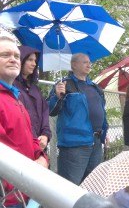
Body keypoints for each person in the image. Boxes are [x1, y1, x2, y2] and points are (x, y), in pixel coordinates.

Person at [0, 36, 48, 208]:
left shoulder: (15, 98)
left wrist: (42, 157)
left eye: (16, 55)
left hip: (27, 188)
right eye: (5, 54)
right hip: (9, 197)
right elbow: (5, 152)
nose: (13, 59)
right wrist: (32, 170)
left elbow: (30, 136)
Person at [48, 53, 108, 185]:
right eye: (85, 62)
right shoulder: (64, 85)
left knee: (92, 184)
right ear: (74, 65)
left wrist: (104, 131)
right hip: (75, 145)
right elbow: (51, 110)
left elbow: (102, 110)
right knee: (70, 186)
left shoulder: (95, 87)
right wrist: (57, 97)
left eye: (89, 62)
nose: (89, 64)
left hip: (96, 143)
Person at [13, 46, 51, 150]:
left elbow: (44, 112)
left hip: (40, 145)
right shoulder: (11, 86)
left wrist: (45, 135)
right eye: (30, 60)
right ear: (21, 60)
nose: (34, 64)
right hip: (20, 146)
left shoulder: (35, 89)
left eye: (35, 60)